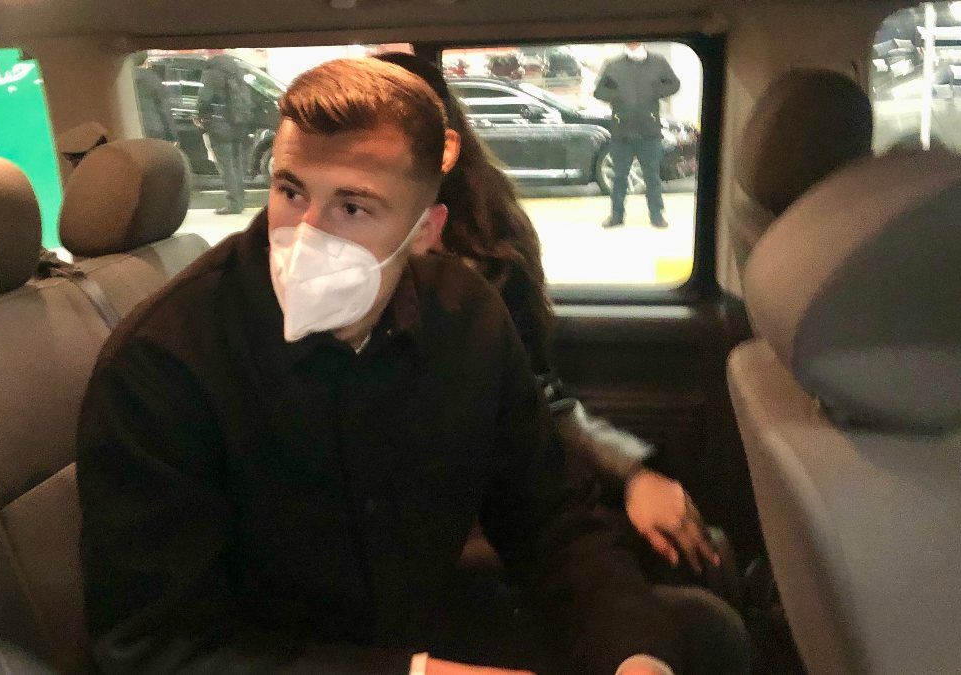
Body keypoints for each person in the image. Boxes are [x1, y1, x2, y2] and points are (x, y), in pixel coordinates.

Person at [78, 57, 747, 675]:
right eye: (290, 191)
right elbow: (154, 647)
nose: (306, 234)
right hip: (273, 658)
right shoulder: (163, 365)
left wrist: (632, 654)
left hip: (423, 621)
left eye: (352, 206)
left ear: (425, 230)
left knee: (698, 636)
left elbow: (553, 518)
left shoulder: (468, 318)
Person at [375, 51, 718, 578]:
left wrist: (633, 473)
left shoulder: (489, 245)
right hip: (374, 505)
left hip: (478, 488)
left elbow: (534, 392)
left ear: (443, 147)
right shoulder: (307, 264)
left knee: (683, 555)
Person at [593, 43, 680, 229]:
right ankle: (616, 216)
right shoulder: (613, 65)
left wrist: (654, 91)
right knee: (619, 177)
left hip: (649, 130)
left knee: (652, 176)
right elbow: (599, 92)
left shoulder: (657, 62)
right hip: (621, 131)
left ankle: (656, 215)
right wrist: (618, 94)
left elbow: (674, 84)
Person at [196, 54, 255, 215]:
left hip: (219, 126)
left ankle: (232, 203)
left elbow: (204, 99)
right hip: (238, 125)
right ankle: (240, 201)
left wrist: (201, 116)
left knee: (226, 167)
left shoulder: (211, 74)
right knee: (237, 166)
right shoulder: (237, 73)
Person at [133, 53, 176, 143]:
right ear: (145, 61)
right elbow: (164, 109)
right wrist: (172, 136)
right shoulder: (152, 79)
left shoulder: (124, 80)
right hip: (153, 128)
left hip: (131, 126)